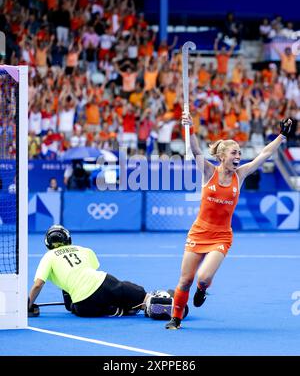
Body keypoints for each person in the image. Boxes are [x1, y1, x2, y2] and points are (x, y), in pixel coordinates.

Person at [165, 115, 294, 329]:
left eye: (240, 153)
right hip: (198, 232)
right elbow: (196, 151)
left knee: (204, 277)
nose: (239, 156)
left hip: (221, 236)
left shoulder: (240, 175)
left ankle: (203, 289)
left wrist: (281, 136)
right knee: (185, 280)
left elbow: (264, 154)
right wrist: (190, 128)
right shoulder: (209, 172)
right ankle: (176, 319)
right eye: (234, 153)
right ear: (222, 156)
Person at [28, 225, 189, 320]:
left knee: (74, 307)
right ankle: (148, 300)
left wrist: (27, 306)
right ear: (68, 239)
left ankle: (116, 309)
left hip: (84, 307)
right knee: (127, 289)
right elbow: (90, 272)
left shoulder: (48, 256)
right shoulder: (83, 249)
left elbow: (38, 285)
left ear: (48, 243)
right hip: (101, 284)